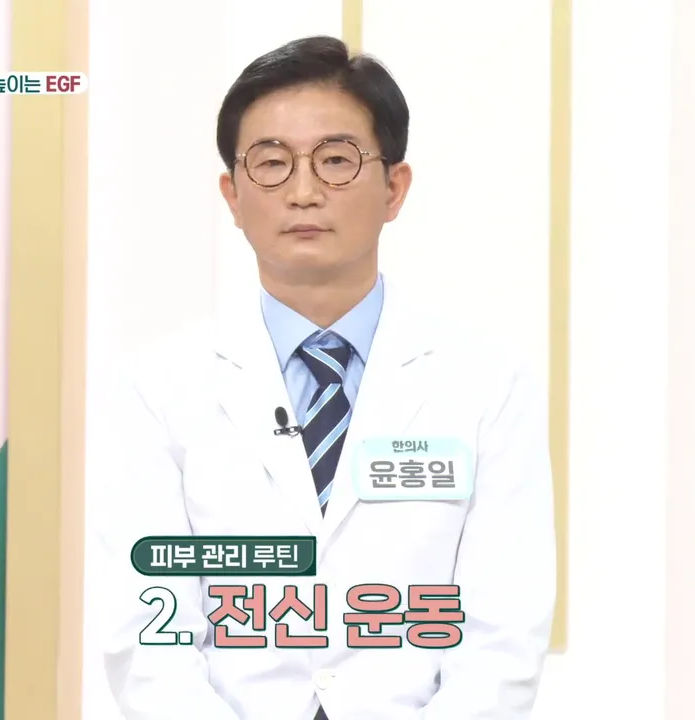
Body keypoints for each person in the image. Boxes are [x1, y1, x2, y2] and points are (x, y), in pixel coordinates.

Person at [96, 35, 556, 719]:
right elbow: (148, 635)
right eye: (271, 163)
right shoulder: (157, 389)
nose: (304, 192)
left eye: (336, 160)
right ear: (232, 195)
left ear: (394, 188)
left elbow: (503, 636)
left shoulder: (488, 382)